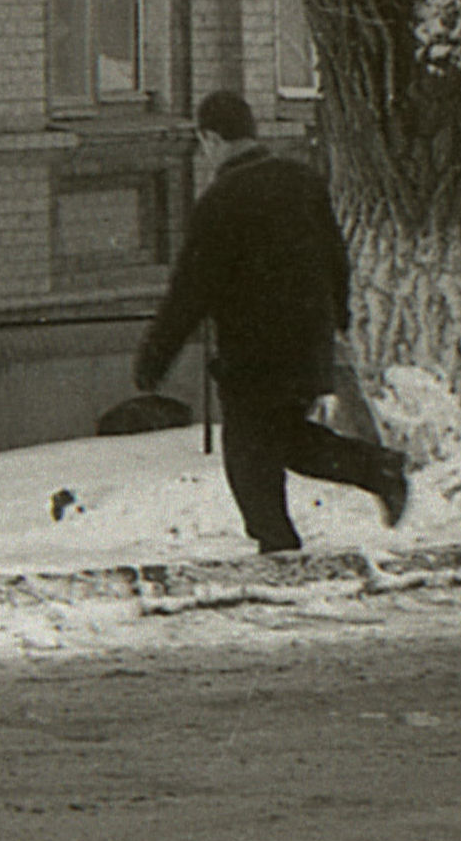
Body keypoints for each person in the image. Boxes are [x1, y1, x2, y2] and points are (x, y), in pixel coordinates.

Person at [136, 89, 409, 550]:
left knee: (249, 456)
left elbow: (189, 292)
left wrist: (155, 358)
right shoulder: (301, 181)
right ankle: (374, 470)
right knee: (284, 440)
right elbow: (335, 256)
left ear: (211, 139)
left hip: (253, 353)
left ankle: (280, 547)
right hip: (308, 342)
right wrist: (336, 319)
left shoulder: (220, 201)